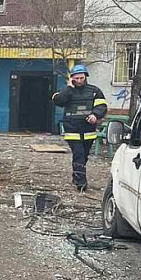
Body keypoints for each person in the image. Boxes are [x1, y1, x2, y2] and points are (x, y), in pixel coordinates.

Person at [52, 64, 108, 192]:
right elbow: (58, 101)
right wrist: (69, 88)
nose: (78, 81)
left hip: (88, 130)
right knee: (79, 154)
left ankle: (76, 176)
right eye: (76, 78)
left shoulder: (94, 91)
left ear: (86, 77)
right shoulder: (66, 91)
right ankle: (81, 183)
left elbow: (102, 106)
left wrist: (95, 115)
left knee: (84, 156)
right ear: (72, 78)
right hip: (72, 130)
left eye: (81, 78)